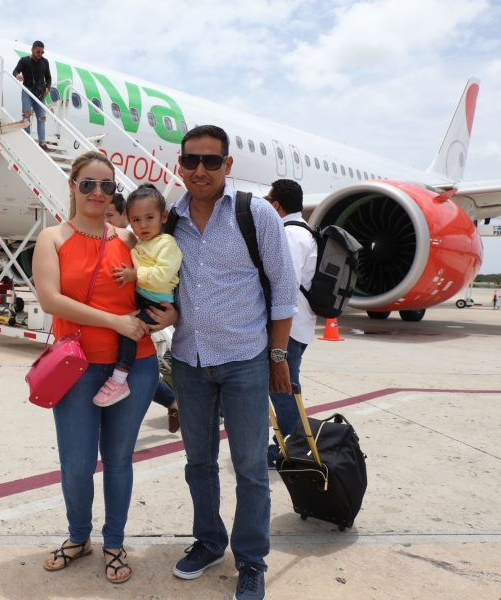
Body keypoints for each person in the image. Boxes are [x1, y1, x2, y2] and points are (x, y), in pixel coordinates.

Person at [149, 125, 297, 600]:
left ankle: (251, 561)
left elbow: (284, 289)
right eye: (191, 160)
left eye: (211, 161)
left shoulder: (256, 214)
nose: (200, 170)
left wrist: (278, 357)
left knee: (250, 466)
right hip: (189, 361)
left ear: (227, 165)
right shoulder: (170, 219)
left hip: (244, 361)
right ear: (179, 164)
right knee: (198, 462)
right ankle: (210, 542)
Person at [32, 151, 159, 584]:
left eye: (107, 186)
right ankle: (78, 536)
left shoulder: (130, 238)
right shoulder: (52, 238)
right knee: (77, 465)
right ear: (72, 186)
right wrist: (115, 322)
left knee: (119, 460)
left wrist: (169, 315)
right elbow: (51, 300)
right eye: (88, 184)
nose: (98, 193)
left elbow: (166, 276)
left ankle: (114, 542)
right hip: (77, 369)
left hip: (135, 365)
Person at [91, 184, 181, 407]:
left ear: (163, 217)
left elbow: (162, 275)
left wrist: (135, 275)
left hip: (157, 304)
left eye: (149, 218)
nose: (143, 225)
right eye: (136, 220)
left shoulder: (166, 244)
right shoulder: (143, 243)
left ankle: (119, 379)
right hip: (144, 298)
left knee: (128, 332)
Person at [265, 179, 318, 469]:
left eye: (267, 200)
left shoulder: (289, 236)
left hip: (290, 329)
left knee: (282, 388)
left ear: (276, 205)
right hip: (299, 325)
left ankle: (290, 450)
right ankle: (292, 446)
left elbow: (285, 285)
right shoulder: (303, 231)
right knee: (283, 387)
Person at [12, 41, 51, 151]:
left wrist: (48, 87)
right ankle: (26, 139)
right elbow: (15, 70)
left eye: (42, 52)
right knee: (26, 114)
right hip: (27, 90)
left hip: (39, 93)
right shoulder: (25, 60)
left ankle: (42, 142)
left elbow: (48, 77)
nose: (40, 54)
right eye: (38, 51)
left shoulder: (45, 62)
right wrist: (18, 75)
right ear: (32, 49)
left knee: (42, 117)